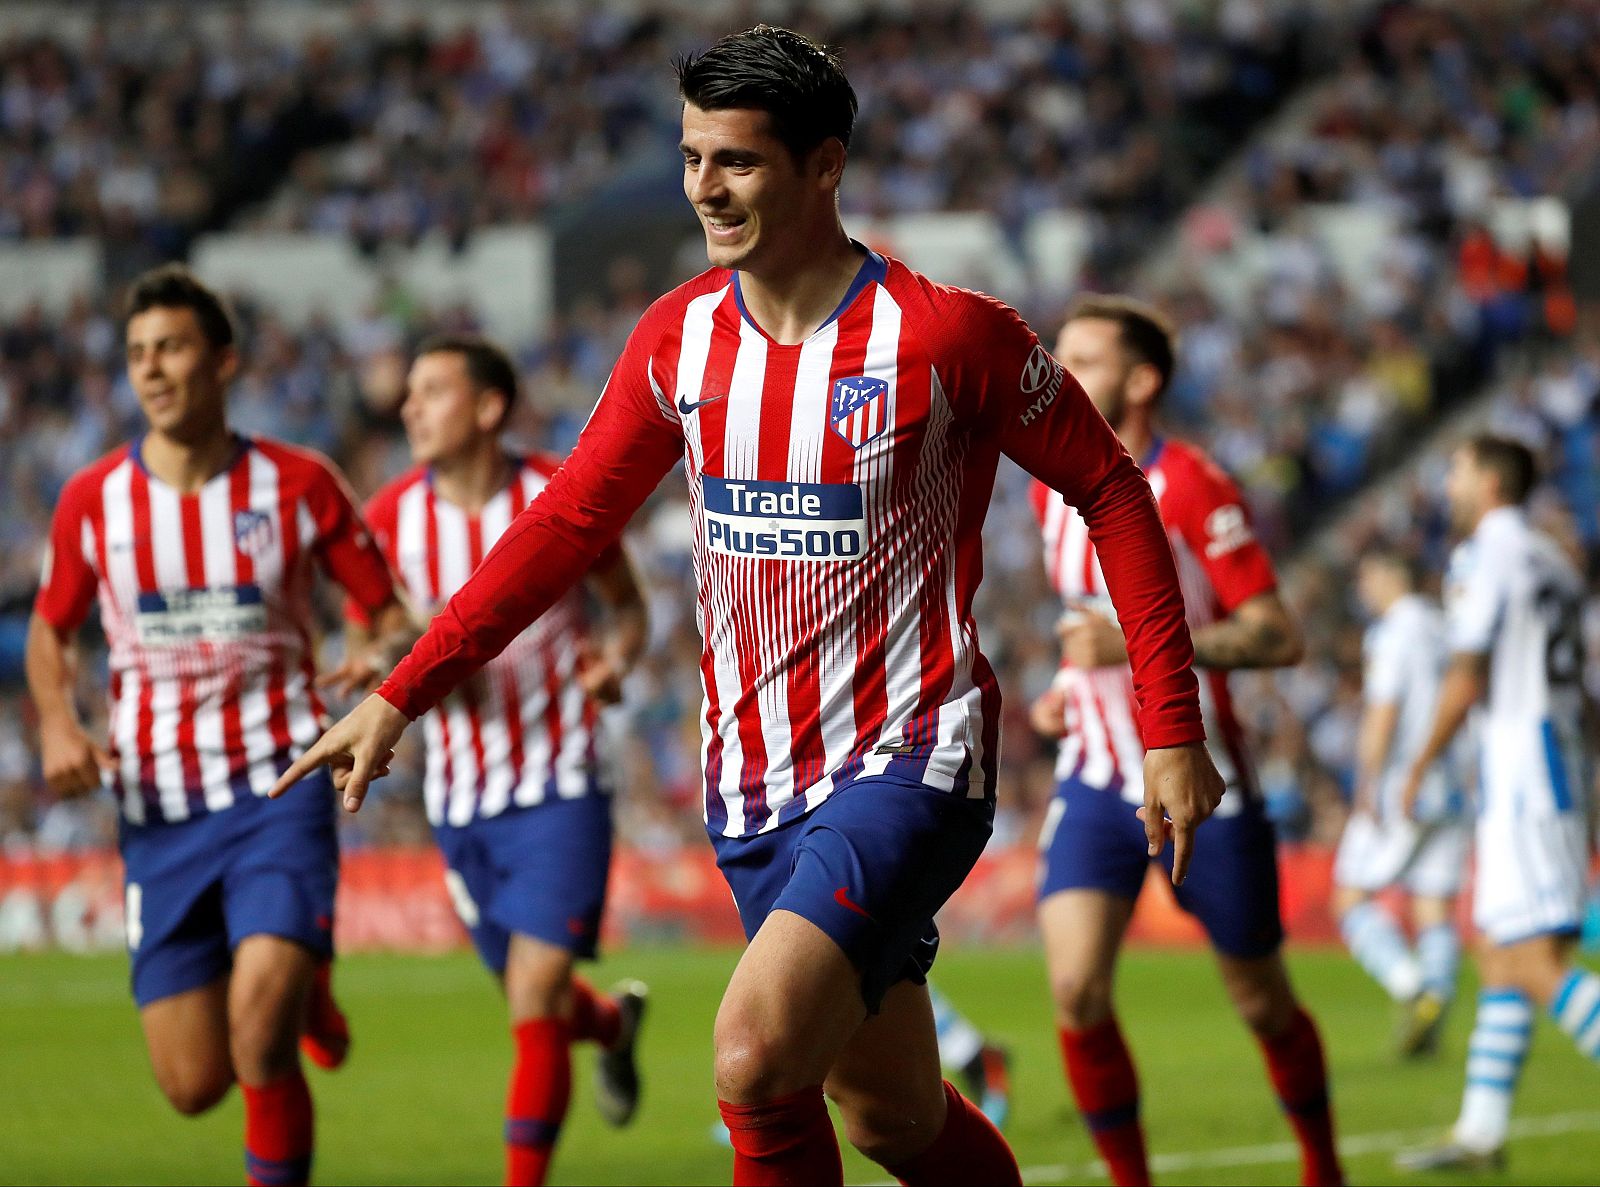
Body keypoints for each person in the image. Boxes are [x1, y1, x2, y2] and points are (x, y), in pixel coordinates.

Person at [273, 27, 1223, 1187]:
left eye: (737, 161)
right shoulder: (678, 339)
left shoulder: (945, 334)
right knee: (891, 1117)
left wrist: (1169, 724)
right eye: (691, 157)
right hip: (752, 779)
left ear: (825, 165)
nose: (704, 189)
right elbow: (566, 525)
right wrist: (400, 690)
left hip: (910, 752)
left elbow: (1113, 491)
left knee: (751, 1058)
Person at [26, 264, 412, 1187]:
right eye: (137, 354)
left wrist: (369, 649)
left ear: (224, 361)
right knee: (195, 1083)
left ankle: (289, 983)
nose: (152, 370)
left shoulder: (297, 482)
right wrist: (55, 722)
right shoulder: (94, 501)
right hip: (158, 807)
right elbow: (51, 629)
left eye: (172, 347)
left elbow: (386, 608)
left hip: (277, 788)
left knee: (258, 1041)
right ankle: (303, 983)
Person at [1029, 295, 1343, 1187]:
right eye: (1060, 355)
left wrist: (1132, 651)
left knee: (1260, 998)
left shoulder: (1195, 484)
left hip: (1203, 782)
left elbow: (1279, 635)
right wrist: (1067, 688)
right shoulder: (1050, 483)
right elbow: (1083, 621)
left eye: (1083, 359)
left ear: (1141, 381)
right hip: (1095, 776)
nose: (1061, 372)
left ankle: (1324, 1167)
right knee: (1075, 989)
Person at [349, 334, 650, 1186]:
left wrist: (615, 661)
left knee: (534, 991)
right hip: (456, 797)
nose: (409, 407)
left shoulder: (563, 493)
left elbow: (628, 611)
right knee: (538, 1000)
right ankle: (616, 1029)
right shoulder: (389, 518)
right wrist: (372, 651)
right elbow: (363, 624)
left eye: (432, 390)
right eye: (408, 391)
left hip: (560, 783)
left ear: (487, 408)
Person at [1396, 436, 1600, 1173]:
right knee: (1501, 955)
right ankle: (1481, 1130)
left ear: (1486, 480)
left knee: (1537, 958)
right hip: (1548, 762)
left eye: (1453, 468)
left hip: (1527, 770)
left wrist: (1417, 763)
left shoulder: (1491, 553)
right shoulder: (1553, 557)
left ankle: (1480, 1130)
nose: (1446, 481)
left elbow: (1468, 670)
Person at [1331, 550, 1468, 1055]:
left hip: (1402, 784)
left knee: (1349, 901)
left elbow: (1384, 712)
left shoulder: (1393, 632)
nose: (1363, 586)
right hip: (1451, 782)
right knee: (1433, 906)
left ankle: (1415, 988)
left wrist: (1366, 782)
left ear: (1393, 574)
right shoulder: (1440, 624)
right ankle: (1434, 1012)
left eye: (1368, 574)